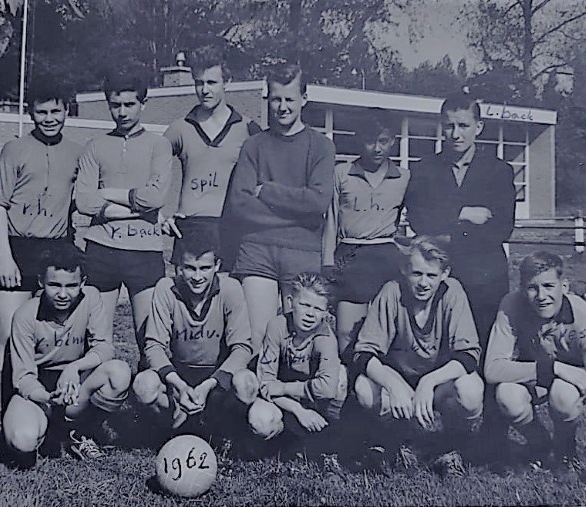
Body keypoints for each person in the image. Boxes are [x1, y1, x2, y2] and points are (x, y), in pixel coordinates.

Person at [403, 91, 517, 459]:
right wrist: (464, 214)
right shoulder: (425, 168)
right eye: (449, 126)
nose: (455, 134)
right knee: (443, 357)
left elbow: (502, 228)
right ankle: (445, 438)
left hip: (486, 279)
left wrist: (447, 229)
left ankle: (492, 442)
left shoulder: (499, 171)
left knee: (487, 358)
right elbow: (419, 220)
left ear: (478, 127)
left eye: (463, 125)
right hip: (442, 282)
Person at [485, 251, 586, 499]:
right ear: (522, 290)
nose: (541, 296)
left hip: (573, 381)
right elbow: (492, 369)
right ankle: (540, 445)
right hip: (540, 372)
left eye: (549, 286)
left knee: (563, 395)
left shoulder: (580, 315)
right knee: (507, 395)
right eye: (532, 288)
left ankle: (564, 452)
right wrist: (553, 368)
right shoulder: (511, 305)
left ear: (564, 286)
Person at [0, 87, 84, 455]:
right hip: (19, 248)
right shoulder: (14, 149)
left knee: (53, 337)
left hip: (56, 249)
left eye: (56, 111)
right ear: (31, 113)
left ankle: (58, 420)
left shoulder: (77, 152)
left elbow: (83, 201)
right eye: (42, 112)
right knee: (8, 334)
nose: (49, 118)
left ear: (66, 110)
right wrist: (4, 258)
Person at [220, 62, 336, 358]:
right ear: (267, 99)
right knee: (259, 338)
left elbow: (318, 202)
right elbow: (240, 206)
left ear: (304, 99)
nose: (282, 107)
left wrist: (268, 191)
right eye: (275, 99)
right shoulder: (253, 146)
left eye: (289, 99)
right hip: (257, 250)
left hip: (302, 252)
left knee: (299, 341)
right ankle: (259, 389)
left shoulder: (321, 146)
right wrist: (297, 212)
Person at [349, 236, 484, 477]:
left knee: (470, 389)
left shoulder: (453, 292)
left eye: (431, 275)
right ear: (404, 270)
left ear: (444, 274)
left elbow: (468, 355)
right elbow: (363, 353)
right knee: (365, 388)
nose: (423, 283)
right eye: (417, 274)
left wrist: (428, 382)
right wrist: (393, 385)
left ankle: (452, 447)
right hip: (400, 380)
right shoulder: (392, 292)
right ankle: (396, 442)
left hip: (437, 381)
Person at [74, 72, 172, 365]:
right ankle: (101, 392)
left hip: (145, 250)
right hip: (101, 249)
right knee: (97, 338)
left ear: (143, 103)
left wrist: (107, 193)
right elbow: (84, 201)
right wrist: (136, 209)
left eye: (130, 104)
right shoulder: (95, 145)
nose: (122, 112)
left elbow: (155, 197)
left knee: (150, 339)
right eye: (115, 105)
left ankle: (147, 393)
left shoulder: (158, 145)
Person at [3, 246, 132, 469]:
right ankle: (48, 428)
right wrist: (47, 397)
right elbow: (23, 378)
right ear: (41, 282)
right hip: (40, 391)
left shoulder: (91, 298)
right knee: (23, 440)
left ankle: (80, 432)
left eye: (71, 286)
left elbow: (104, 347)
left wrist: (74, 367)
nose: (63, 294)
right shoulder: (25, 315)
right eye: (54, 285)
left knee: (118, 372)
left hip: (75, 387)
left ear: (82, 282)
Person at [132, 232, 265, 440]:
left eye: (204, 268)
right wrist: (180, 385)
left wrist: (209, 385)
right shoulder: (166, 288)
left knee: (247, 383)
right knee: (144, 385)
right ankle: (169, 432)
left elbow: (241, 348)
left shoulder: (230, 289)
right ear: (178, 267)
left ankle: (223, 431)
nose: (197, 277)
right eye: (189, 268)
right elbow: (153, 346)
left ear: (217, 265)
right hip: (178, 375)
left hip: (216, 377)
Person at [161, 45, 260, 262]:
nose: (205, 90)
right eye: (199, 83)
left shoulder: (248, 128)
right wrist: (157, 216)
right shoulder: (180, 128)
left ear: (227, 81)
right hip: (188, 227)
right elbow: (147, 168)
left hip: (229, 227)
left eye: (212, 83)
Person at [323, 116, 410, 357]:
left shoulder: (404, 177)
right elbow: (331, 221)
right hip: (351, 255)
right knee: (346, 331)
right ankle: (349, 374)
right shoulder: (342, 173)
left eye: (384, 141)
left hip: (386, 256)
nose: (377, 148)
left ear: (393, 141)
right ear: (360, 141)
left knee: (387, 327)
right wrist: (327, 262)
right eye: (370, 141)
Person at [250, 273, 346, 453]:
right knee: (260, 420)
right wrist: (298, 410)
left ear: (326, 312)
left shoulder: (325, 338)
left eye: (318, 309)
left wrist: (284, 387)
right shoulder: (277, 326)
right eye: (304, 305)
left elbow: (326, 389)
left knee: (340, 381)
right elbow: (266, 384)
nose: (310, 314)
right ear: (290, 302)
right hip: (281, 402)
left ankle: (328, 435)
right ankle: (279, 441)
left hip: (310, 399)